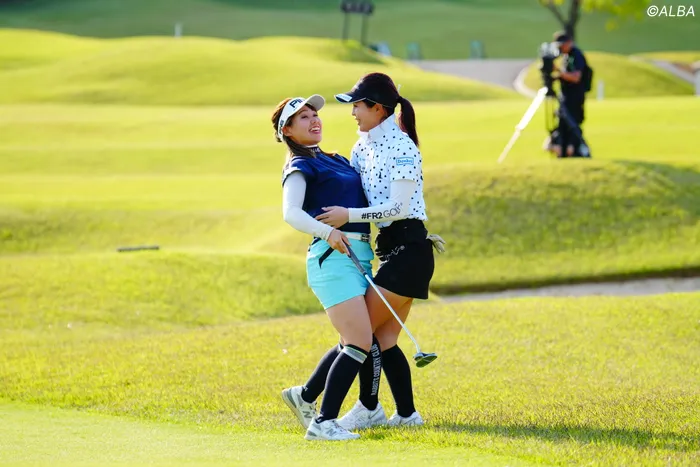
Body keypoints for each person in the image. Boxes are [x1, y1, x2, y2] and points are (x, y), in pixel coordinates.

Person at [315, 72, 445, 430]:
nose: (353, 112)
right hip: (390, 251)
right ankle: (407, 415)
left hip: (411, 252)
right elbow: (351, 191)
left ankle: (349, 404)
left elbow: (398, 208)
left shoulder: (403, 148)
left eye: (358, 105)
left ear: (378, 108)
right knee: (383, 340)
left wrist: (348, 216)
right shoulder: (361, 147)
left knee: (358, 336)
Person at [273, 94, 379, 441]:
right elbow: (291, 213)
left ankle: (304, 396)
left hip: (358, 255)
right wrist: (328, 232)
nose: (314, 120)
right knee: (360, 341)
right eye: (303, 118)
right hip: (331, 258)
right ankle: (323, 423)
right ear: (287, 131)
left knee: (354, 339)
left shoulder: (334, 159)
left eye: (314, 114)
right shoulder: (299, 166)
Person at [552, 31, 589, 158]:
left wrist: (559, 72)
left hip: (575, 97)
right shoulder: (566, 57)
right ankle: (562, 150)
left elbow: (576, 77)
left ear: (569, 43)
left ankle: (575, 150)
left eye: (562, 45)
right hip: (566, 96)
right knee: (563, 124)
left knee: (572, 123)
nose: (560, 48)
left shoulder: (576, 55)